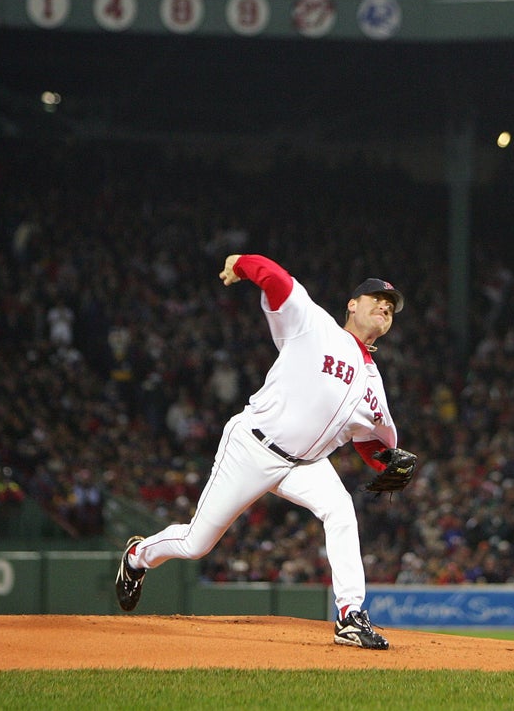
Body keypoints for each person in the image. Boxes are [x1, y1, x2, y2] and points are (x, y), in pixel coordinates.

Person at [116, 254, 407, 650]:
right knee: (196, 544)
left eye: (390, 308)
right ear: (352, 305)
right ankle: (138, 556)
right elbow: (277, 279)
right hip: (253, 447)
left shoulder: (374, 383)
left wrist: (389, 465)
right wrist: (241, 263)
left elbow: (370, 441)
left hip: (305, 465)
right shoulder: (314, 325)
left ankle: (350, 616)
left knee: (340, 511)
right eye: (376, 299)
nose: (384, 308)